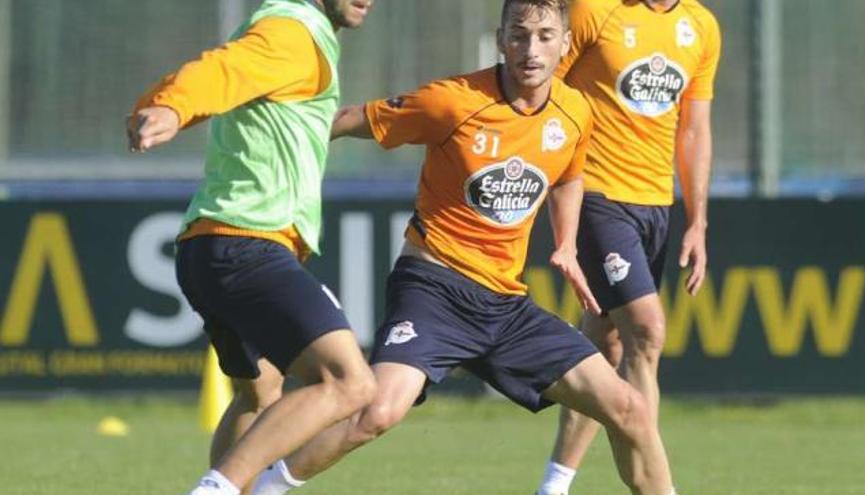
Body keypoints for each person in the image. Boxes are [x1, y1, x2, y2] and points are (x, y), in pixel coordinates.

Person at [247, 1, 675, 494]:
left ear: (564, 43)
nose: (530, 49)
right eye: (518, 35)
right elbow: (347, 120)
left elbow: (569, 177)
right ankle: (264, 487)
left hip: (505, 305)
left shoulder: (575, 111)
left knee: (630, 408)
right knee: (377, 412)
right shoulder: (452, 101)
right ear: (500, 40)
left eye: (543, 35)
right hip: (434, 290)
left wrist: (565, 244)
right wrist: (274, 145)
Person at [126, 1, 377, 494]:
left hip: (209, 245)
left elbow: (214, 69)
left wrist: (159, 102)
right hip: (248, 244)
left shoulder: (286, 28)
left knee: (260, 395)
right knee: (350, 382)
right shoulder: (292, 31)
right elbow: (221, 71)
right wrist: (173, 107)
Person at [535, 1, 721, 494]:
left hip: (655, 205)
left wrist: (698, 220)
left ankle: (553, 486)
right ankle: (656, 486)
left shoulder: (701, 27)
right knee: (646, 331)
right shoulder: (594, 9)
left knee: (606, 343)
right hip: (595, 194)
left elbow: (695, 129)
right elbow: (546, 89)